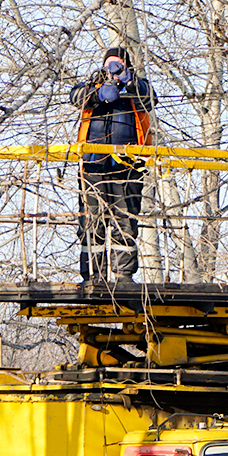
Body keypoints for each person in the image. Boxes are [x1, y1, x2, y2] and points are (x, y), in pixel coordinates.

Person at [70, 46, 157, 282]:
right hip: (92, 165)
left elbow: (149, 99)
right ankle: (93, 276)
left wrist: (128, 82)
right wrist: (98, 93)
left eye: (118, 65)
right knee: (91, 220)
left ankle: (123, 275)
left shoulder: (137, 87)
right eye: (109, 64)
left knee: (125, 219)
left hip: (127, 166)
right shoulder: (92, 86)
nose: (113, 70)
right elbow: (75, 97)